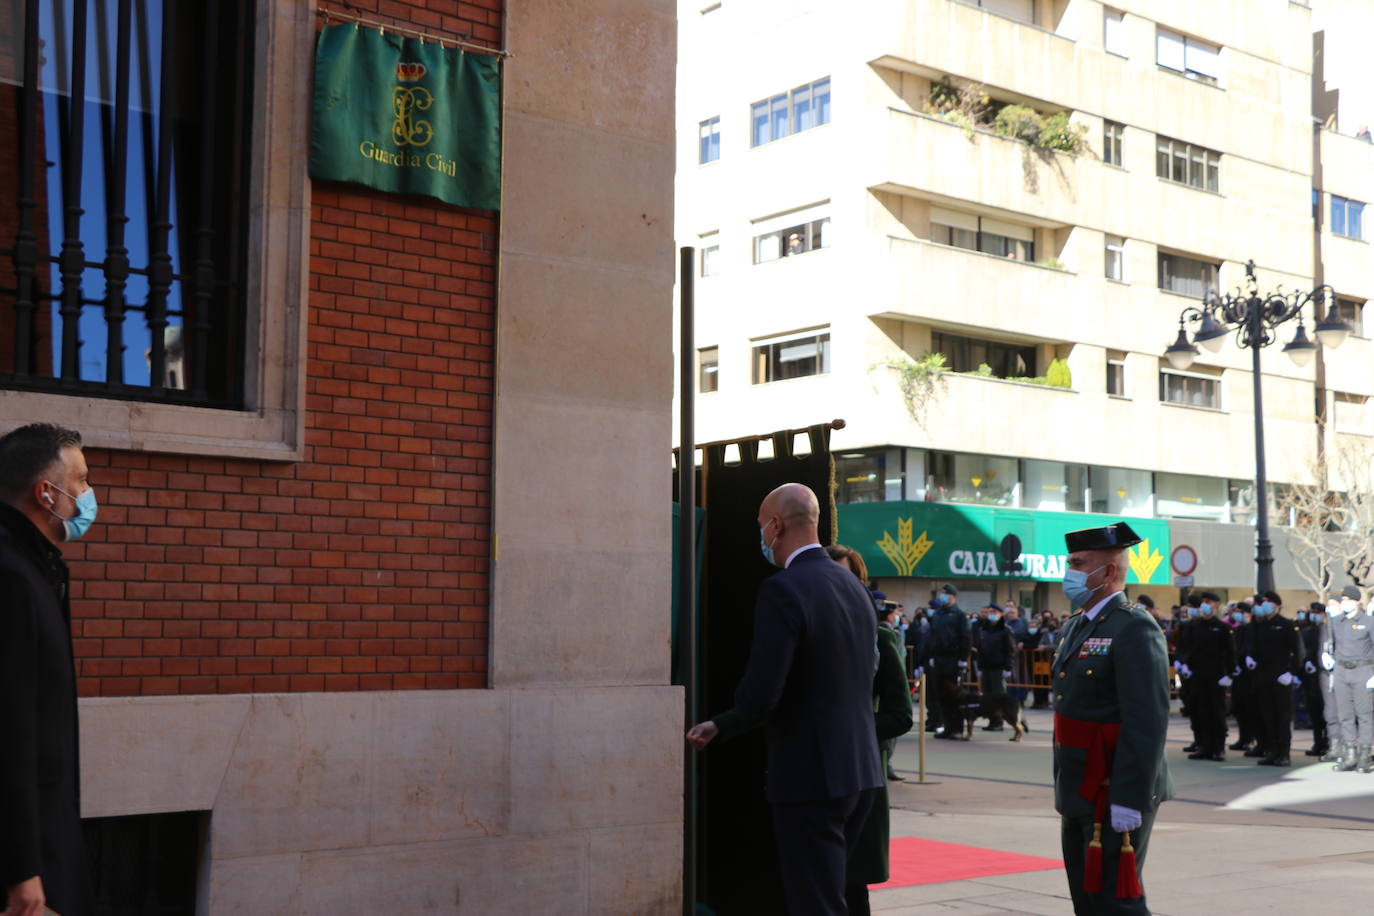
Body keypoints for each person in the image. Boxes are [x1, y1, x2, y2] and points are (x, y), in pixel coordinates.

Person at [686, 484, 882, 916]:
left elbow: (761, 693)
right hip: (861, 772)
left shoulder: (784, 589)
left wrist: (721, 723)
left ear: (775, 525)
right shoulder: (855, 588)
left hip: (812, 774)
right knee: (833, 895)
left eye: (761, 525)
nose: (761, 535)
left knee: (815, 901)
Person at [0, 423, 98, 916]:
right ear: (46, 492)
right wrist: (21, 869)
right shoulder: (13, 576)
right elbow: (8, 729)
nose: (86, 493)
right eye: (80, 480)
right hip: (27, 865)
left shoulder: (35, 567)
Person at [1052, 522, 1172, 915]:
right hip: (1080, 786)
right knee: (1086, 900)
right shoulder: (1077, 626)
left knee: (1116, 903)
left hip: (1112, 788)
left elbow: (1147, 720)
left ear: (1108, 572)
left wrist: (1129, 797)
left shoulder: (1134, 625)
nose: (1069, 573)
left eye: (1077, 564)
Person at [843, 588, 914, 914]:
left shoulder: (879, 638)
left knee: (853, 878)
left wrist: (850, 727)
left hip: (860, 768)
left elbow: (900, 716)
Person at [1246, 591, 1302, 767]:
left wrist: (1291, 673)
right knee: (1267, 717)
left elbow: (1298, 651)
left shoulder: (1285, 625)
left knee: (1282, 717)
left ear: (1277, 605)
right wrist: (1250, 657)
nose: (1265, 605)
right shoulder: (1259, 624)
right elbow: (1252, 646)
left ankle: (1284, 754)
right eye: (1263, 602)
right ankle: (1272, 751)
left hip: (1281, 677)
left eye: (1269, 602)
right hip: (1263, 676)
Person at [1179, 592, 1235, 761]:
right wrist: (1186, 665)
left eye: (1208, 602)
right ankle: (1204, 746)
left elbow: (1230, 653)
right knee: (1201, 711)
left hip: (1216, 676)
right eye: (1203, 602)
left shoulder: (1223, 628)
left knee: (1216, 712)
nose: (1204, 604)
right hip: (1198, 675)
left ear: (1216, 605)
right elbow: (1190, 649)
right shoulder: (1195, 627)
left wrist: (1229, 674)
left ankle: (1218, 748)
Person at [1326, 595, 1374, 772]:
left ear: (1356, 601)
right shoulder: (1337, 622)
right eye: (1343, 599)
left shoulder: (1369, 622)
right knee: (1345, 715)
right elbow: (1331, 643)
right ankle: (1350, 754)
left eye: (1347, 599)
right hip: (1341, 671)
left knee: (1364, 714)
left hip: (1363, 670)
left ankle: (1365, 756)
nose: (1344, 603)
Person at [927, 584, 971, 740]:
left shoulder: (959, 615)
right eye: (942, 593)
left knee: (955, 696)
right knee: (941, 696)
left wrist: (962, 659)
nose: (943, 596)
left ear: (954, 596)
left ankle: (957, 729)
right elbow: (933, 636)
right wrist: (931, 655)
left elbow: (965, 638)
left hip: (953, 660)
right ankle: (947, 727)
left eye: (947, 594)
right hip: (939, 660)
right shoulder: (938, 614)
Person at [976, 605, 1016, 731]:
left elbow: (1010, 649)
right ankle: (992, 720)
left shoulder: (1005, 629)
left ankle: (998, 722)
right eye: (990, 612)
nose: (991, 614)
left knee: (998, 695)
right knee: (987, 696)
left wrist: (1008, 667)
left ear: (1001, 614)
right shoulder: (984, 628)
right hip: (986, 667)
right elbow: (981, 648)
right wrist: (980, 665)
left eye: (994, 612)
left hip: (999, 668)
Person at [1298, 602, 1329, 758]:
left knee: (1328, 713)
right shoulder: (1307, 631)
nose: (1314, 615)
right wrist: (1306, 663)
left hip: (1324, 675)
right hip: (1311, 679)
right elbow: (1302, 651)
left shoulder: (1329, 630)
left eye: (1317, 612)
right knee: (1315, 712)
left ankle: (1329, 743)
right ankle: (1318, 742)